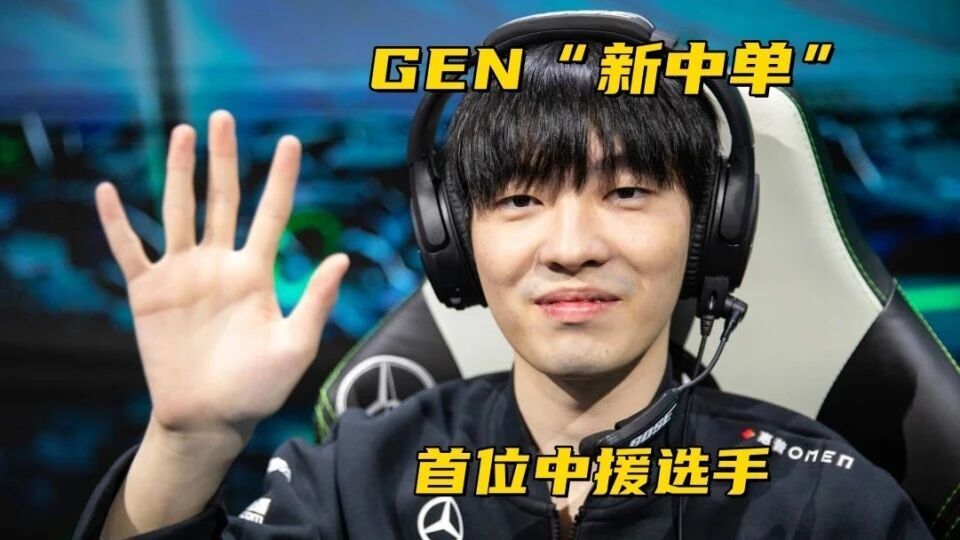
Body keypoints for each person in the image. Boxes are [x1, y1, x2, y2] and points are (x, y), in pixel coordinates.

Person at [74, 33, 931, 540]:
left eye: (628, 193)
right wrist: (186, 442)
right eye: (520, 200)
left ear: (709, 230)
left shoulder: (826, 506)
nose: (571, 248)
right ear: (454, 241)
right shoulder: (358, 482)